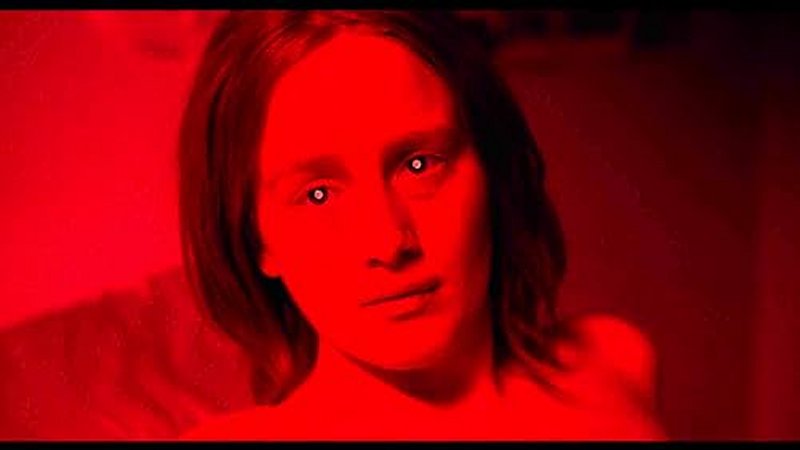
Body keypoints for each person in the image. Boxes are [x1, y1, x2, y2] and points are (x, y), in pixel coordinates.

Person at [177, 10, 666, 440]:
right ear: (255, 238)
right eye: (318, 194)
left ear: (492, 166)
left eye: (419, 166)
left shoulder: (612, 362)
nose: (388, 241)